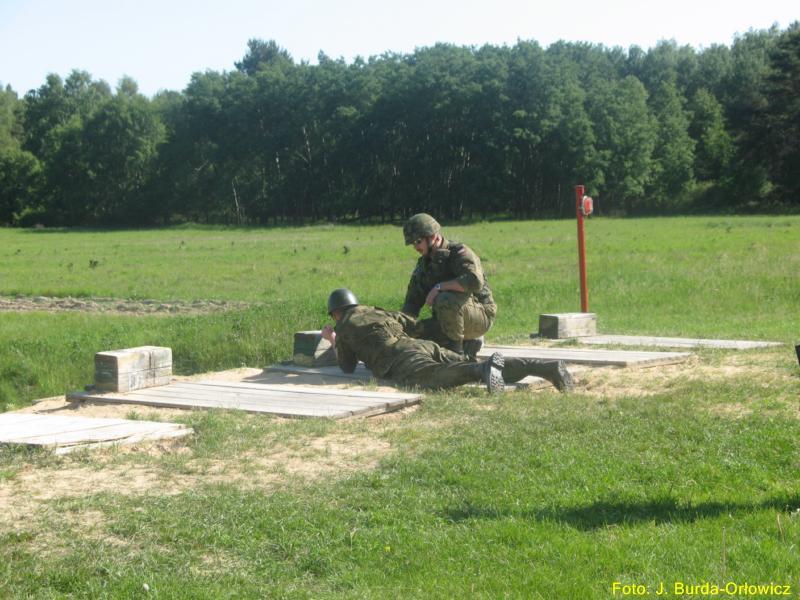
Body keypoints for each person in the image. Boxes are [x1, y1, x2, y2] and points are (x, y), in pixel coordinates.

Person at [321, 288, 573, 393]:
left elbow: (347, 367)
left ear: (336, 312)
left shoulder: (344, 326)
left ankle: (481, 369)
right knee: (460, 363)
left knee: (435, 377)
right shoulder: (378, 311)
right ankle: (546, 367)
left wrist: (333, 338)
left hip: (400, 358)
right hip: (421, 345)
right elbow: (413, 324)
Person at [400, 213, 496, 360]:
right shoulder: (424, 265)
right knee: (413, 333)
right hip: (447, 320)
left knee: (445, 299)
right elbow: (411, 305)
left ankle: (457, 354)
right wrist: (401, 329)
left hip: (480, 316)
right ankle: (468, 343)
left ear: (433, 237)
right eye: (413, 243)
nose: (415, 247)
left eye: (418, 241)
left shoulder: (459, 253)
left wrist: (439, 287)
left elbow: (474, 281)